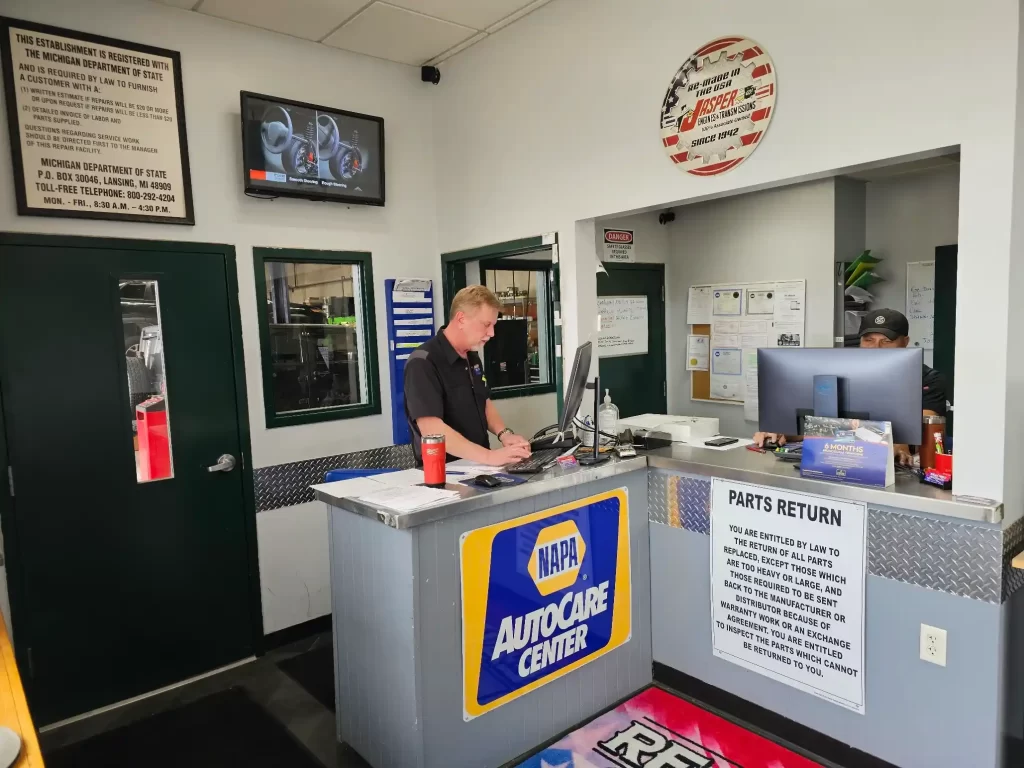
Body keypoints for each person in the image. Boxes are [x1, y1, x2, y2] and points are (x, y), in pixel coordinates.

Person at [753, 308, 948, 464]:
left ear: (904, 342)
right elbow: (824, 423)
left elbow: (922, 428)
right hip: (838, 459)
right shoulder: (841, 374)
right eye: (868, 340)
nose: (876, 348)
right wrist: (781, 429)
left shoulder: (929, 379)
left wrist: (899, 441)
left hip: (895, 469)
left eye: (886, 341)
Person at [404, 285, 533, 466]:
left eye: (493, 326)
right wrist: (489, 457)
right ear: (461, 319)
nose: (491, 333)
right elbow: (431, 429)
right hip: (445, 472)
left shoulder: (471, 357)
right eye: (486, 325)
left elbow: (484, 402)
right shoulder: (423, 362)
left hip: (479, 467)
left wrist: (505, 434)